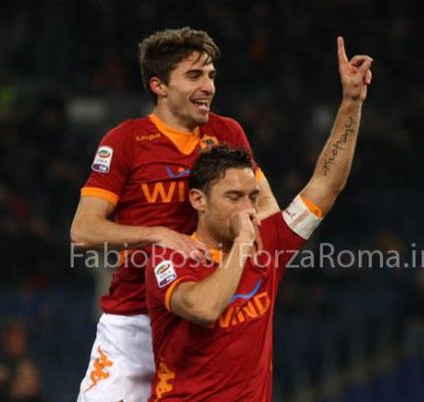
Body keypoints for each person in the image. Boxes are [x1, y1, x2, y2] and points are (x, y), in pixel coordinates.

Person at [145, 36, 372, 401]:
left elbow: (326, 185)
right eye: (233, 198)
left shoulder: (268, 241)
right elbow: (204, 308)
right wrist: (242, 245)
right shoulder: (169, 255)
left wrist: (351, 102)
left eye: (252, 197)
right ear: (199, 201)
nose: (248, 209)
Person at [71, 27, 280, 401]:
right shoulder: (125, 141)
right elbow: (83, 231)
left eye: (211, 75)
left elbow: (266, 206)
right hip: (135, 319)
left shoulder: (227, 132)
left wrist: (244, 253)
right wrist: (158, 234)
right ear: (159, 85)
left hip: (206, 319)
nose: (208, 87)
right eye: (194, 75)